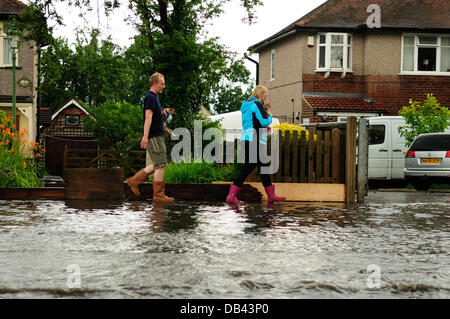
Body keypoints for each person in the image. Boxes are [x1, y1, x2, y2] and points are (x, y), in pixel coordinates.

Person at [226, 85, 285, 204]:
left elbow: (254, 123)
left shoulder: (247, 105)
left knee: (261, 165)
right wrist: (269, 116)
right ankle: (232, 196)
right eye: (265, 93)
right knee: (255, 165)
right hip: (254, 139)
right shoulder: (257, 104)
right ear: (259, 94)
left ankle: (270, 195)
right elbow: (263, 122)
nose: (266, 95)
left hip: (248, 138)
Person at [126, 72, 174, 202]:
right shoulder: (150, 97)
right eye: (162, 84)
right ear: (155, 84)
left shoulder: (154, 97)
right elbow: (148, 117)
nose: (164, 86)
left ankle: (134, 181)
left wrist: (164, 129)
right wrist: (145, 137)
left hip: (157, 134)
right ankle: (158, 195)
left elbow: (155, 119)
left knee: (158, 163)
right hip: (154, 136)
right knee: (161, 164)